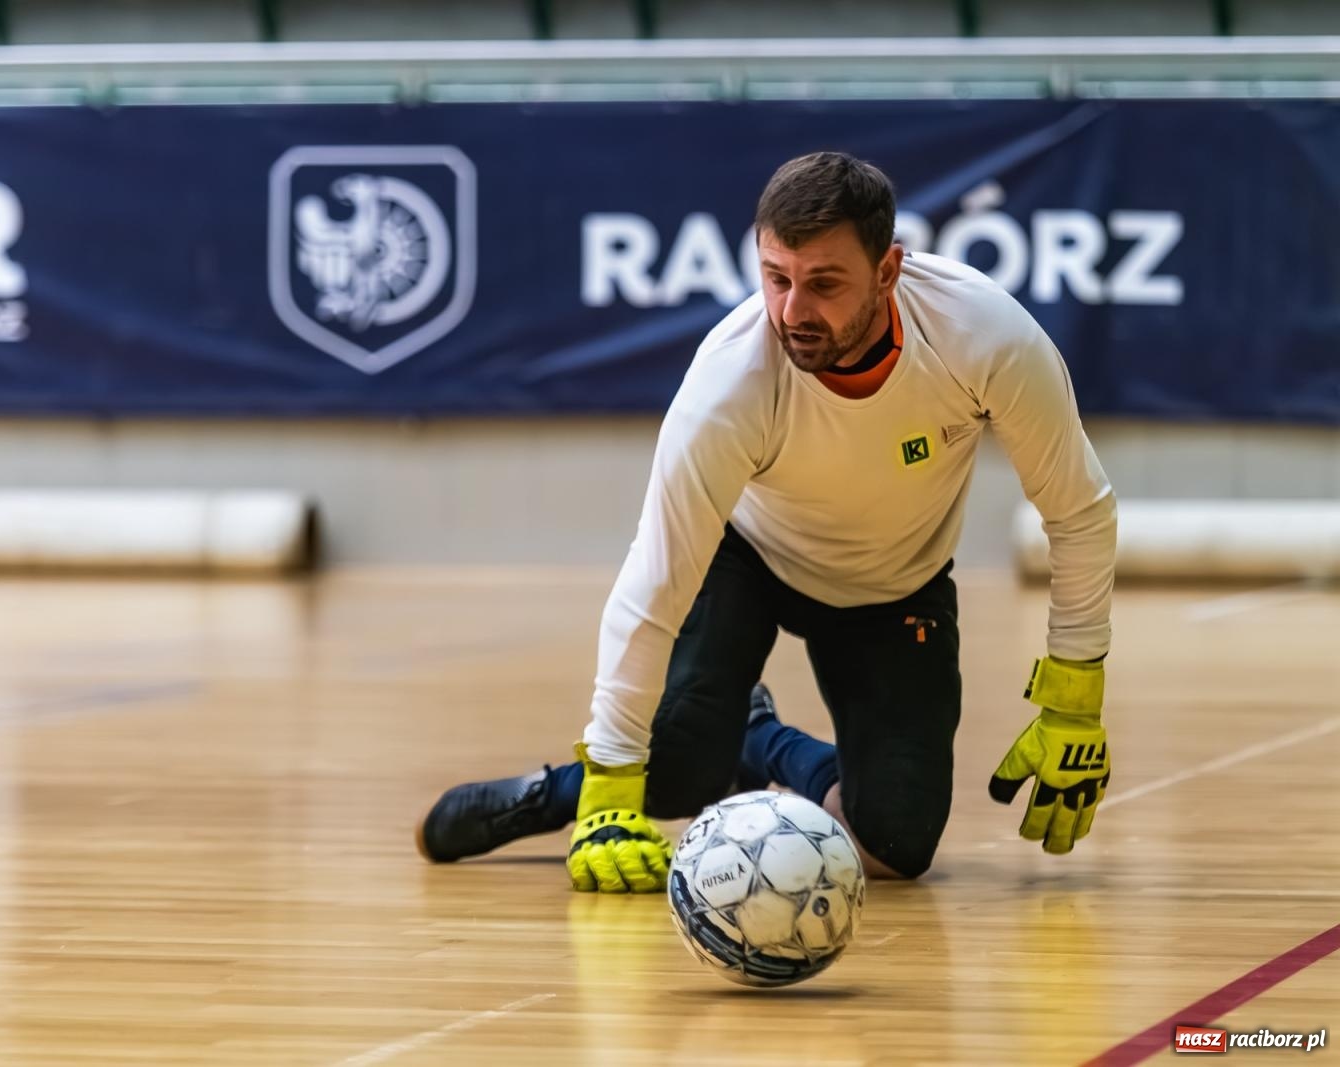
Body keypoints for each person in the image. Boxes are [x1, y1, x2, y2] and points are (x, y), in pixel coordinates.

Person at [417, 151, 1116, 890]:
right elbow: (654, 579)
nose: (791, 311)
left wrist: (1074, 700)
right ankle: (562, 794)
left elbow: (1079, 512)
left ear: (888, 272)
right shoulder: (729, 383)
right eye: (775, 277)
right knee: (680, 776)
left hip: (897, 587)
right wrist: (614, 783)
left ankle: (758, 739)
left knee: (893, 847)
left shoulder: (986, 337)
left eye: (823, 284)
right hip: (747, 561)